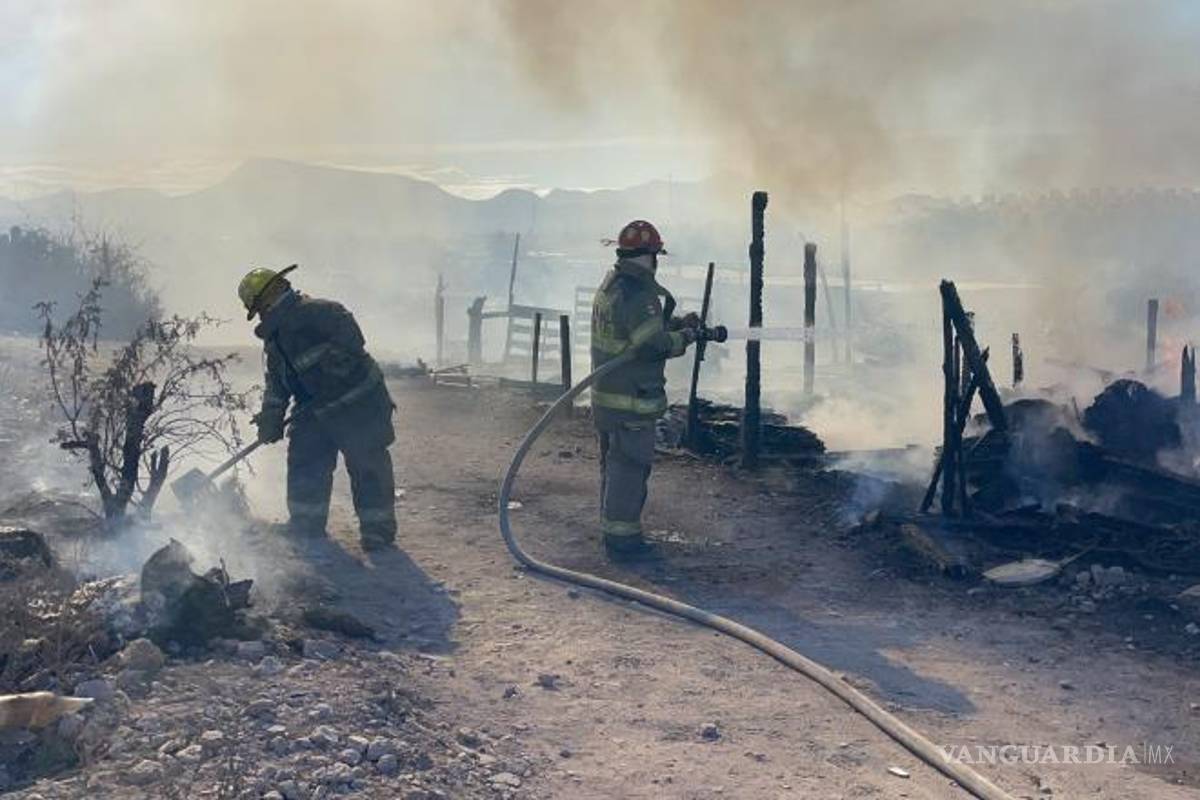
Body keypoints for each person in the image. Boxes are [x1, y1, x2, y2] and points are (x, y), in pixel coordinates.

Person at [238, 264, 398, 551]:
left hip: (358, 403)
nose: (263, 313)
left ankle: (377, 531)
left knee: (367, 465)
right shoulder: (275, 342)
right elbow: (277, 384)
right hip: (314, 408)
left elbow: (352, 342)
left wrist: (333, 371)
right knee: (305, 459)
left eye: (262, 306)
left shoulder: (321, 312)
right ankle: (305, 524)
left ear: (275, 293)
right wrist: (271, 417)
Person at [590, 221, 699, 559]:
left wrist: (673, 325)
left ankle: (612, 531)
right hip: (631, 402)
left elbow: (635, 333)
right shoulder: (640, 293)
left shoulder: (612, 285)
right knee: (629, 469)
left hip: (608, 398)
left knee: (614, 467)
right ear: (649, 256)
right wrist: (686, 337)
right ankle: (623, 541)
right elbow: (651, 346)